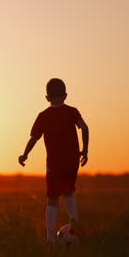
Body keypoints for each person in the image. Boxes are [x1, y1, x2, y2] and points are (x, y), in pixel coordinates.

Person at [18, 78, 89, 244]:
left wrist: (24, 155)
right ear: (65, 95)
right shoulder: (72, 111)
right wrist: (85, 150)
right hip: (72, 162)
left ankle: (50, 238)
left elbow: (34, 138)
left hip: (54, 164)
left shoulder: (43, 116)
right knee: (69, 192)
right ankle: (74, 221)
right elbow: (84, 127)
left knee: (53, 198)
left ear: (46, 97)